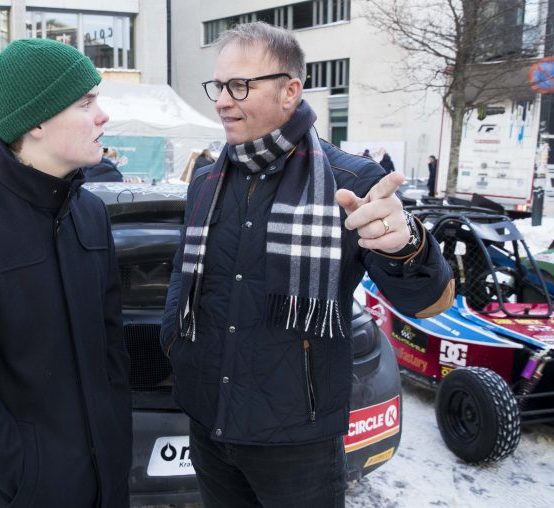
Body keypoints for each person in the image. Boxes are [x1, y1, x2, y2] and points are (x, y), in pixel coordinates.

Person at [160, 22, 454, 508]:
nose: (223, 101)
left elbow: (429, 303)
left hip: (298, 441)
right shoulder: (207, 180)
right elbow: (181, 276)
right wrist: (176, 344)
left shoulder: (351, 182)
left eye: (240, 86)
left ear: (290, 91)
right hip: (208, 421)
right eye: (219, 86)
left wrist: (408, 247)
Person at [0, 38, 132, 508]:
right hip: (21, 494)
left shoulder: (91, 213)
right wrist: (27, 474)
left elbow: (110, 347)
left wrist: (115, 441)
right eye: (85, 103)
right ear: (37, 121)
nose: (102, 116)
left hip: (106, 485)